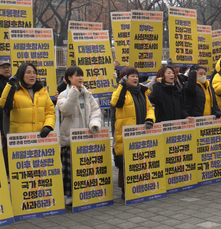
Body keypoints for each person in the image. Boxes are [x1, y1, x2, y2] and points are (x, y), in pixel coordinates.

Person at [57, 66, 102, 206]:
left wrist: (94, 124)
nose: (80, 78)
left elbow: (95, 111)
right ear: (69, 78)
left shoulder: (87, 94)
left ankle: (84, 191)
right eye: (77, 75)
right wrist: (73, 94)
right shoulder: (63, 95)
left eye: (81, 75)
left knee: (84, 168)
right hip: (70, 139)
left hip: (85, 138)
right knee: (69, 169)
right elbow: (66, 110)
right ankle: (68, 195)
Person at [110, 67, 155, 200]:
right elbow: (116, 102)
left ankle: (139, 186)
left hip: (141, 131)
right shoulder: (121, 91)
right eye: (132, 76)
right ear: (125, 78)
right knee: (125, 162)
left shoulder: (142, 92)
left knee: (139, 160)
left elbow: (149, 108)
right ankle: (126, 190)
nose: (135, 78)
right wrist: (121, 86)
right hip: (126, 134)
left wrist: (149, 120)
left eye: (136, 76)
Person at [0, 62, 55, 135]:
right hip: (21, 139)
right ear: (21, 75)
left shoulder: (42, 91)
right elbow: (3, 104)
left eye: (34, 73)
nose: (32, 75)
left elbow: (50, 111)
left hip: (40, 137)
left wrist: (48, 125)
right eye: (28, 72)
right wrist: (10, 85)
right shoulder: (14, 90)